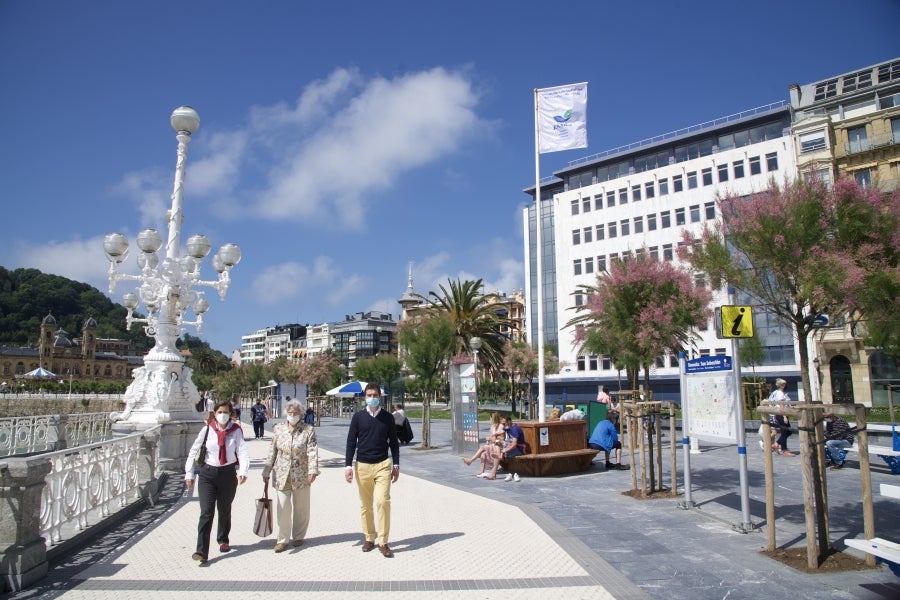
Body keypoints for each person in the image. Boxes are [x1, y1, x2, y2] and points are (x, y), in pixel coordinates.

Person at [184, 400, 249, 564]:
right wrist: (189, 474)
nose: (222, 415)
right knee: (206, 512)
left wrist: (243, 471)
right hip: (208, 474)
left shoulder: (235, 431)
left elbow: (242, 451)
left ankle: (223, 539)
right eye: (219, 412)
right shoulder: (207, 430)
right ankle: (201, 550)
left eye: (226, 412)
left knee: (224, 509)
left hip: (227, 474)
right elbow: (193, 451)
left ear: (230, 414)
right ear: (214, 413)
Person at [345, 382, 400, 558]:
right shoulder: (358, 417)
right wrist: (348, 466)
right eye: (369, 395)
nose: (372, 398)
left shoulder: (388, 418)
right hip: (362, 466)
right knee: (366, 505)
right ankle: (369, 538)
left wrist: (396, 465)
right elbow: (351, 442)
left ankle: (383, 541)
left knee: (382, 501)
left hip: (383, 465)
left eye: (375, 395)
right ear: (365, 397)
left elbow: (394, 443)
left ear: (380, 396)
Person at [262, 398, 320, 552]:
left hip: (301, 474)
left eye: (295, 413)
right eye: (290, 413)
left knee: (301, 507)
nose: (292, 415)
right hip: (282, 474)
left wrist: (313, 470)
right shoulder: (279, 429)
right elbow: (272, 450)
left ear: (301, 414)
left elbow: (312, 450)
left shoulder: (308, 430)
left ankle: (299, 536)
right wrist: (267, 470)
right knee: (283, 507)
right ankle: (282, 539)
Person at [462, 412, 504, 477]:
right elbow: (492, 438)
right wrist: (489, 439)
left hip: (499, 446)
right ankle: (481, 471)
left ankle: (470, 460)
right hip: (492, 445)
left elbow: (502, 439)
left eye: (491, 418)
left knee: (482, 447)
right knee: (483, 453)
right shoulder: (492, 427)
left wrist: (492, 438)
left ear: (493, 418)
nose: (490, 419)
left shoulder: (501, 426)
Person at [769, 378, 796, 457]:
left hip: (782, 414)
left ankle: (777, 444)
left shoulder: (778, 393)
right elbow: (781, 405)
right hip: (781, 414)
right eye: (783, 384)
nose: (785, 386)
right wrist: (784, 416)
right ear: (780, 385)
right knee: (785, 431)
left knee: (787, 431)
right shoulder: (780, 393)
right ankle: (784, 450)